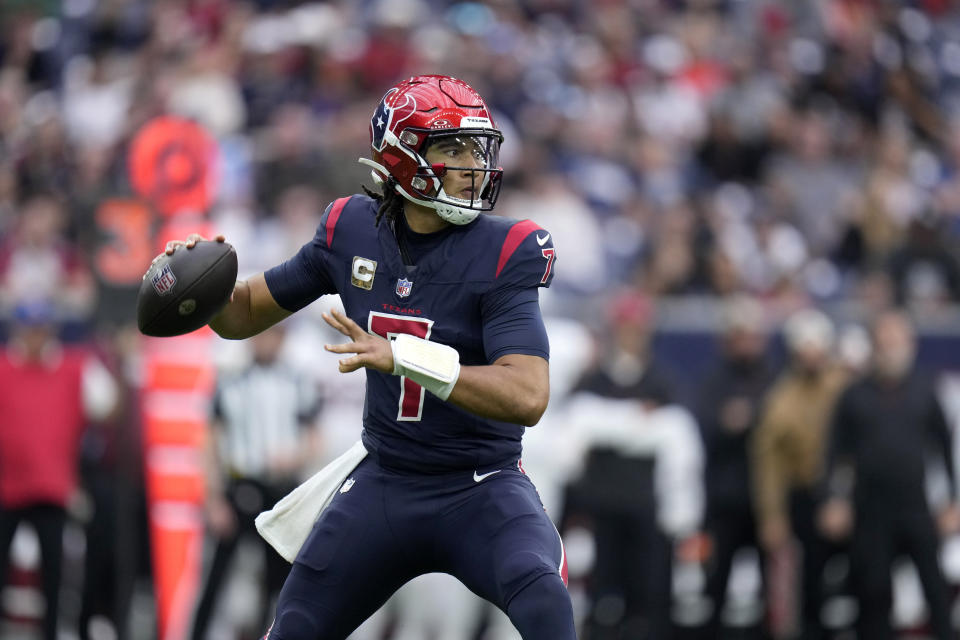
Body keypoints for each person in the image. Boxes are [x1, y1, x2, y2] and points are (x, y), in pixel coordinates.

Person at [161, 75, 574, 640]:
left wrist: (405, 357)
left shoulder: (507, 248)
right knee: (296, 626)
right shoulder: (349, 227)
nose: (472, 164)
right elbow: (243, 315)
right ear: (404, 156)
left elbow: (528, 395)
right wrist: (202, 283)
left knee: (546, 604)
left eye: (475, 148)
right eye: (452, 148)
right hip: (387, 481)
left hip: (482, 483)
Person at [564, 291, 703, 640]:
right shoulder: (593, 380)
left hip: (647, 512)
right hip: (604, 509)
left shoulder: (664, 381)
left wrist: (612, 428)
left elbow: (678, 435)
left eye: (637, 329)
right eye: (625, 328)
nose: (631, 336)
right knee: (602, 600)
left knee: (650, 600)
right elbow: (573, 435)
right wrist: (634, 423)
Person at [820, 309, 959, 640]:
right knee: (873, 594)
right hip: (870, 510)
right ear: (873, 345)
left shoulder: (926, 391)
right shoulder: (854, 395)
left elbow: (944, 449)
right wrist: (833, 500)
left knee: (935, 591)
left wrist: (953, 500)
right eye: (884, 340)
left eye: (897, 339)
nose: (891, 347)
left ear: (910, 343)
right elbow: (834, 453)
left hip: (916, 507)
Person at [191, 324, 320, 640]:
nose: (264, 341)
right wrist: (213, 499)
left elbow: (315, 438)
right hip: (240, 488)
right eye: (259, 334)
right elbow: (209, 441)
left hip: (279, 491)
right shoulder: (231, 381)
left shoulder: (297, 382)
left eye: (272, 334)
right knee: (216, 579)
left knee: (277, 583)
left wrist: (293, 457)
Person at [0, 299, 118, 640]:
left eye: (41, 329)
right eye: (29, 329)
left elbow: (108, 406)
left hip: (53, 488)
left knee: (54, 578)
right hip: (7, 486)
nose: (35, 337)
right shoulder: (5, 367)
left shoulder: (73, 368)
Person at [750, 308, 847, 640]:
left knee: (867, 582)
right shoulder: (782, 399)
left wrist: (843, 498)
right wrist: (772, 515)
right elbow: (770, 465)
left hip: (851, 497)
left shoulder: (845, 389)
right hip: (805, 497)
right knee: (807, 589)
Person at [695, 296, 774, 638]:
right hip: (723, 500)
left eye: (751, 334)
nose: (745, 341)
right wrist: (727, 424)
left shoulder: (774, 379)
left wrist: (750, 418)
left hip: (765, 501)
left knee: (771, 589)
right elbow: (703, 429)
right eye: (738, 334)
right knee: (715, 587)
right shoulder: (712, 381)